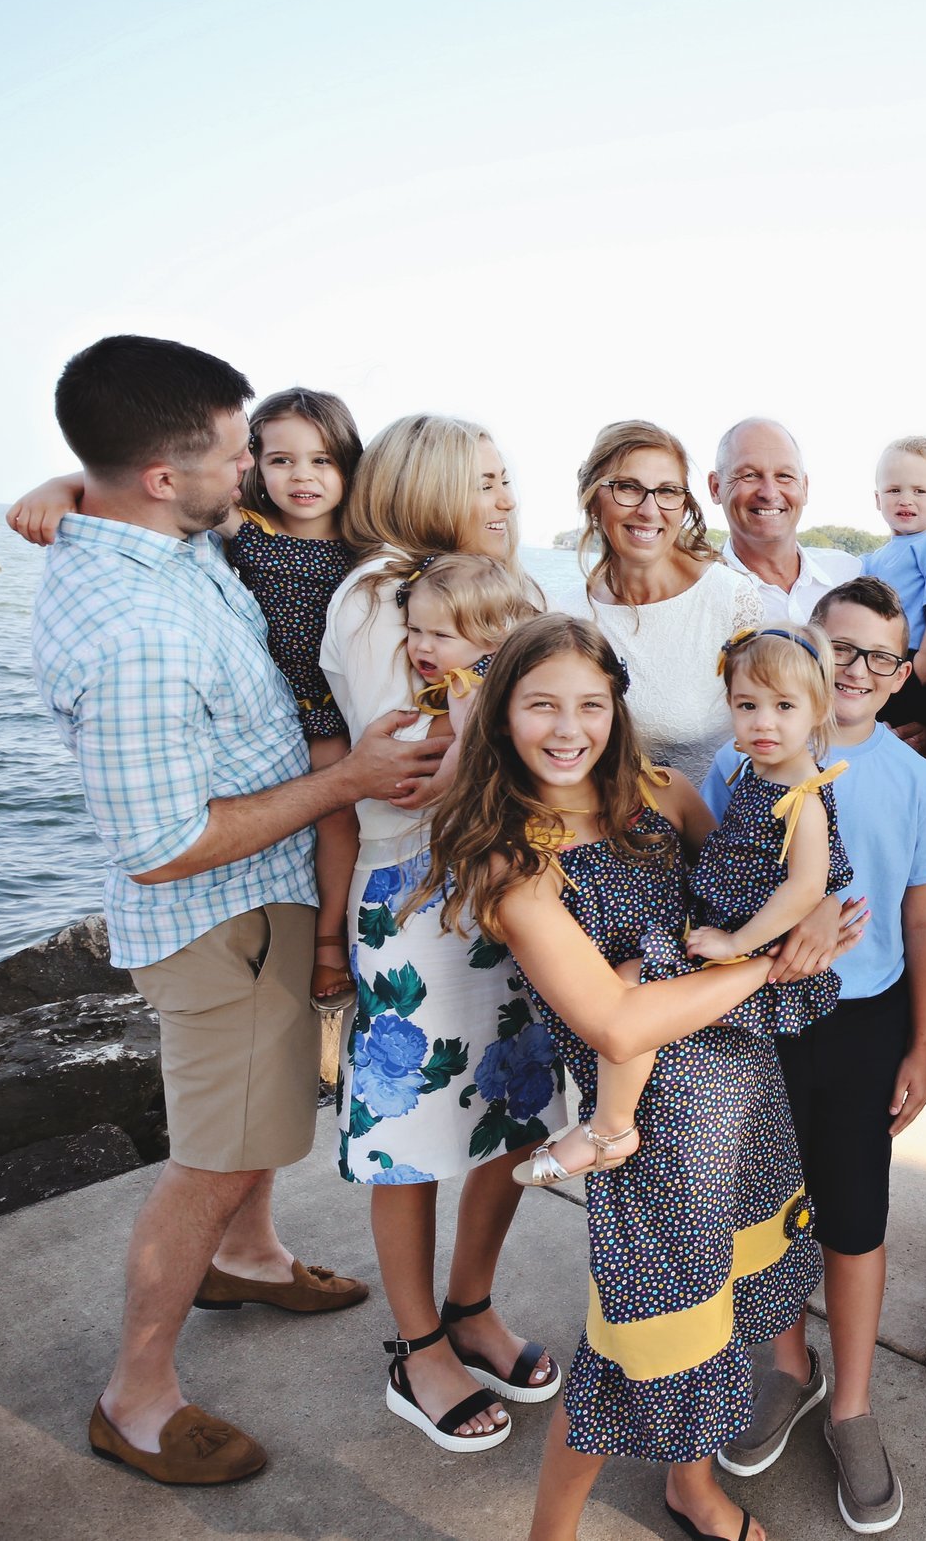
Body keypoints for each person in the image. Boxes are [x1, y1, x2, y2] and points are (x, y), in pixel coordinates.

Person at [30, 336, 431, 1486]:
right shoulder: (137, 631)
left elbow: (104, 489)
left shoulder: (162, 539)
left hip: (267, 895)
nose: (251, 470)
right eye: (232, 451)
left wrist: (62, 486)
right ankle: (138, 1392)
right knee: (209, 1157)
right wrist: (345, 784)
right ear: (169, 475)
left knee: (257, 1126)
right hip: (221, 916)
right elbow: (160, 848)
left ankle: (249, 1257)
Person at [424, 615, 844, 1541]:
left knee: (721, 1314)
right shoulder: (514, 859)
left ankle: (690, 1487)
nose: (569, 727)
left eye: (589, 703)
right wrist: (760, 967)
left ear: (618, 707)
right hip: (650, 1126)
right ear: (500, 717)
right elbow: (613, 1020)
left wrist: (811, 923)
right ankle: (552, 1532)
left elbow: (752, 886)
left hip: (742, 1093)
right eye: (541, 705)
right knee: (639, 1341)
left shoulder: (668, 794)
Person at [702, 578, 926, 1533]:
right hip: (757, 1021)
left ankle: (851, 1401)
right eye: (839, 648)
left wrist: (924, 1045)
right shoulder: (741, 765)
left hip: (863, 1024)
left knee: (852, 1214)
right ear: (806, 649)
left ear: (903, 675)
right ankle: (788, 1365)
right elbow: (712, 877)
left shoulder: (908, 777)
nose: (855, 670)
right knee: (769, 1203)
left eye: (878, 658)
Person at [322, 413, 566, 1453]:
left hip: (495, 890)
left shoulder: (474, 582)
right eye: (488, 480)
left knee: (510, 1107)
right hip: (417, 892)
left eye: (509, 479)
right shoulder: (383, 594)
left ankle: (471, 1307)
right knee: (412, 1131)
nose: (507, 496)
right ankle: (417, 1341)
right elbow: (416, 757)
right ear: (428, 485)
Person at [7, 386, 370, 1001]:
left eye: (322, 460)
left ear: (349, 465)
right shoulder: (240, 529)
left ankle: (333, 932)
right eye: (280, 460)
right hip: (286, 708)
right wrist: (62, 486)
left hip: (340, 711)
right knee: (329, 809)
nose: (301, 477)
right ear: (252, 464)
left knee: (343, 821)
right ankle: (324, 944)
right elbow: (145, 480)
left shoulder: (366, 542)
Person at [533, 625, 853, 1188]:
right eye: (746, 705)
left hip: (749, 935)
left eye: (784, 706)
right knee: (631, 991)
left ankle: (609, 1127)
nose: (763, 722)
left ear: (820, 708)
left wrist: (737, 943)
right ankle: (611, 1121)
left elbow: (806, 885)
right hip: (729, 927)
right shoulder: (756, 773)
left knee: (630, 981)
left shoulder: (802, 791)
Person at [557, 419, 769, 783]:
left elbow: (775, 724)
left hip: (717, 825)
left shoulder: (731, 598)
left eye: (668, 491)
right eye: (628, 487)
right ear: (593, 499)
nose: (649, 509)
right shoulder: (567, 616)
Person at [860, 435, 926, 756]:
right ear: (878, 499)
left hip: (919, 659)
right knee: (878, 729)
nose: (906, 499)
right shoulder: (874, 558)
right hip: (882, 659)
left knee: (909, 732)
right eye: (894, 490)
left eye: (920, 491)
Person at [708, 416, 863, 622]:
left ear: (805, 487)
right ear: (716, 488)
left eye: (784, 476)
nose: (769, 493)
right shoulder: (702, 596)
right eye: (750, 475)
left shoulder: (850, 573)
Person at [397, 552, 543, 732]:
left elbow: (463, 748)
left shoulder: (466, 689)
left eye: (441, 635)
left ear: (491, 641)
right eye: (415, 630)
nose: (423, 646)